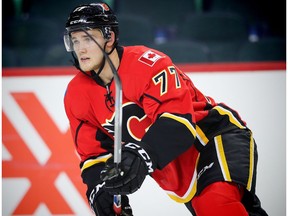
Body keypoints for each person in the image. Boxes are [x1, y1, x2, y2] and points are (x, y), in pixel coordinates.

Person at [63, 2, 268, 216]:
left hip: (214, 138)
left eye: (87, 38)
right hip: (178, 172)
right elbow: (94, 155)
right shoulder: (76, 94)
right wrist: (101, 190)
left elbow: (178, 123)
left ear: (109, 38)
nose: (80, 48)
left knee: (216, 206)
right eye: (75, 40)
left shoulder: (148, 64)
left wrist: (141, 155)